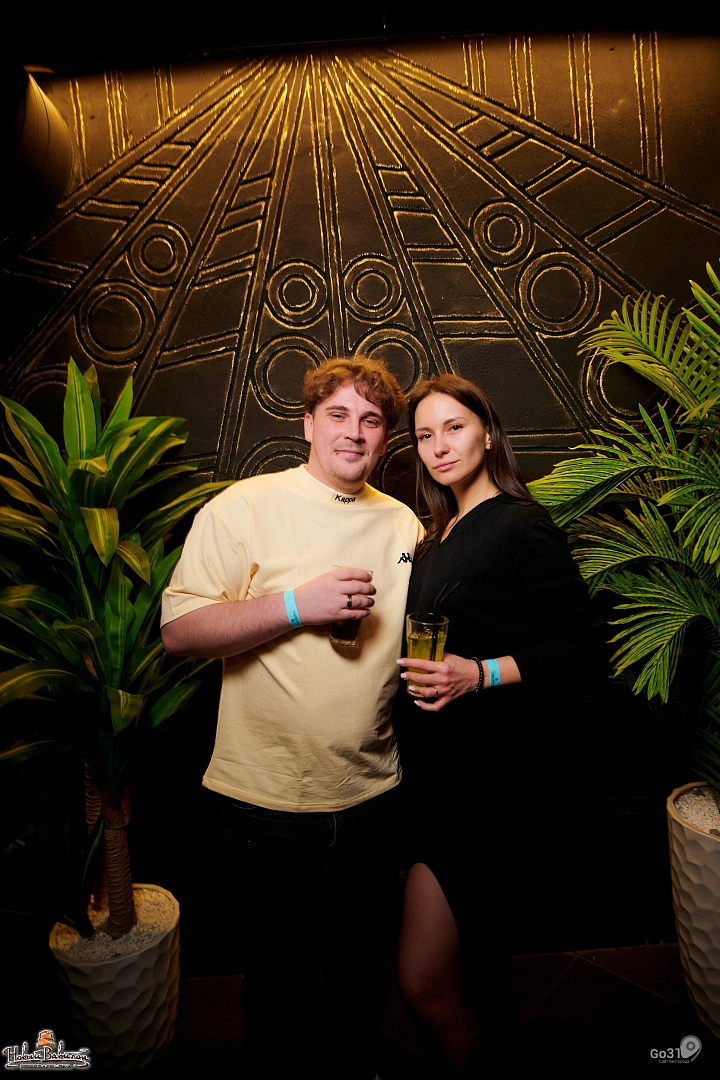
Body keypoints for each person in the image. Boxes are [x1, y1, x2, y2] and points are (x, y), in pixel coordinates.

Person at [160, 356, 423, 1080]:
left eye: (371, 421)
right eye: (337, 415)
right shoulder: (244, 507)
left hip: (373, 793)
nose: (353, 432)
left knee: (361, 973)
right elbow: (179, 632)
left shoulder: (402, 522)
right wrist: (293, 606)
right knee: (278, 980)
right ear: (307, 424)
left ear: (385, 439)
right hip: (267, 799)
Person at [392, 374, 608, 1076]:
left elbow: (580, 648)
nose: (438, 446)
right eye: (425, 435)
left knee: (429, 979)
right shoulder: (434, 538)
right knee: (479, 972)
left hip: (486, 785)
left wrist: (478, 673)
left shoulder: (521, 524)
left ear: (487, 433)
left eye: (454, 427)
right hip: (431, 776)